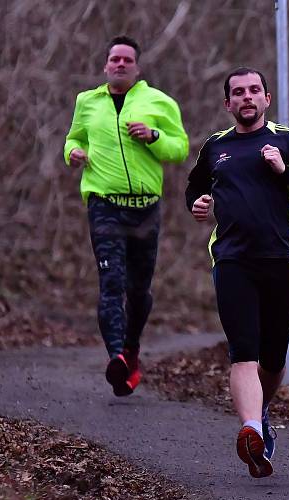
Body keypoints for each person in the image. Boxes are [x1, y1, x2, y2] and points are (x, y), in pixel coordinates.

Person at [185, 67, 289, 477]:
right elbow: (194, 186)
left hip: (281, 258)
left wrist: (285, 171)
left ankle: (261, 415)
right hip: (231, 259)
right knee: (243, 351)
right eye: (238, 92)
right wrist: (198, 205)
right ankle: (250, 428)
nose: (246, 97)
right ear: (227, 104)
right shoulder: (215, 147)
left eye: (254, 90)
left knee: (273, 357)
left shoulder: (286, 140)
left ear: (267, 98)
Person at [64, 35, 189, 396]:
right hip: (104, 203)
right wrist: (72, 153)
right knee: (111, 284)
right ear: (105, 65)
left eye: (127, 60)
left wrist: (153, 136)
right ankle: (116, 356)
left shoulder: (159, 102)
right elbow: (73, 139)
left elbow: (179, 148)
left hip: (146, 208)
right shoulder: (87, 102)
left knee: (139, 290)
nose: (120, 64)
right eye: (114, 59)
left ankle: (131, 348)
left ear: (137, 67)